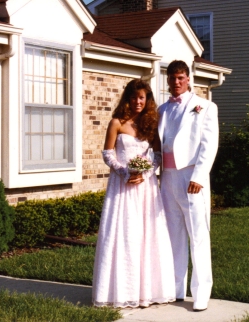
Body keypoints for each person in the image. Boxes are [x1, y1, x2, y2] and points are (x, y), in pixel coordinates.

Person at [92, 79, 175, 308]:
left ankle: (147, 291)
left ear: (147, 100)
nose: (138, 102)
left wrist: (145, 174)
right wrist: (125, 172)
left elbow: (157, 156)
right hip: (122, 187)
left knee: (146, 235)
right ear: (127, 98)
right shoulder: (116, 123)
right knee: (124, 235)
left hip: (146, 189)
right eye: (134, 97)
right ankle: (120, 291)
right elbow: (108, 154)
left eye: (142, 97)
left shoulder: (151, 124)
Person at [158, 60, 219, 312]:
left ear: (188, 78)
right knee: (174, 235)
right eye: (172, 77)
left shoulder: (205, 106)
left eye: (180, 77)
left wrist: (198, 176)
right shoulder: (162, 109)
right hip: (168, 177)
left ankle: (201, 292)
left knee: (198, 235)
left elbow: (209, 144)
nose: (176, 82)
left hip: (191, 177)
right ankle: (175, 288)